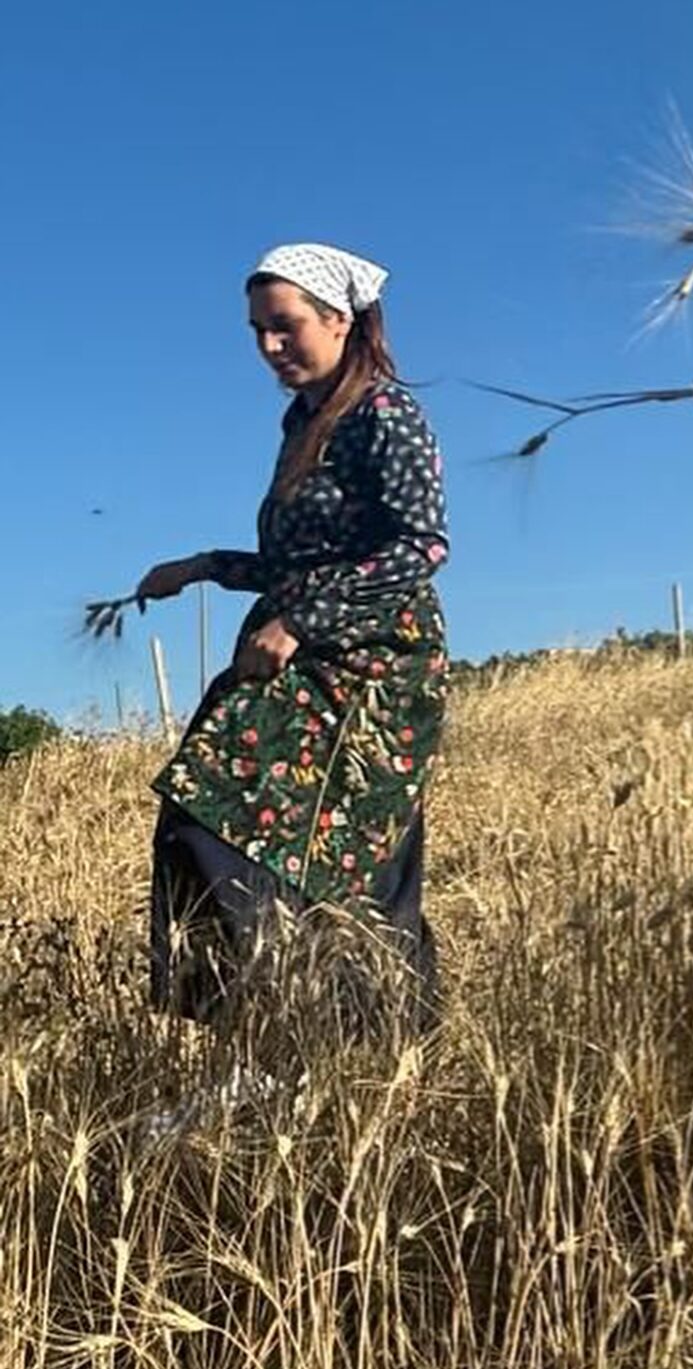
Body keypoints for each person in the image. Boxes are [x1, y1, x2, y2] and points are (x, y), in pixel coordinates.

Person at [138, 243, 450, 1033]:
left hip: (370, 663)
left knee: (338, 851)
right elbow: (296, 562)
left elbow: (422, 547)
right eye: (256, 332)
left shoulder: (386, 413)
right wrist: (203, 566)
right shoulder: (305, 421)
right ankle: (276, 1034)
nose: (269, 347)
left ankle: (361, 1043)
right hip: (297, 648)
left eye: (285, 327)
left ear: (340, 320)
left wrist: (301, 622)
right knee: (220, 825)